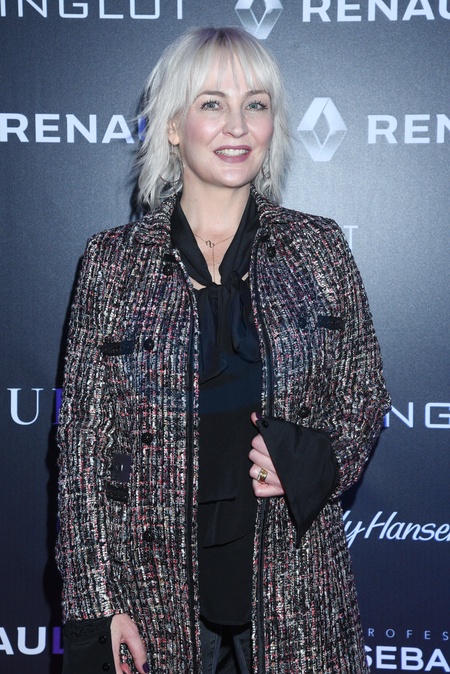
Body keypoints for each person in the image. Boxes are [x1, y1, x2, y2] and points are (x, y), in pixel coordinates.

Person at [56, 26, 391, 674]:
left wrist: (312, 463)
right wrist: (98, 605)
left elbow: (364, 395)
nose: (237, 125)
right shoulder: (112, 262)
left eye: (255, 104)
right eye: (212, 103)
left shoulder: (319, 249)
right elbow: (83, 448)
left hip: (297, 593)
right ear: (173, 126)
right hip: (152, 597)